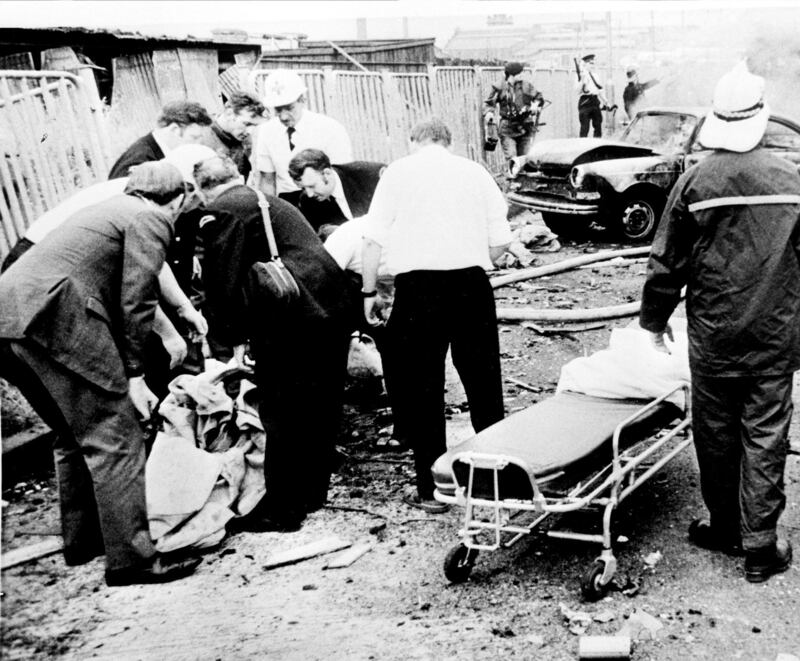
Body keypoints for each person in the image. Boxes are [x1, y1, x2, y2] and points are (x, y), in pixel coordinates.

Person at [0, 162, 202, 586]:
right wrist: (134, 375)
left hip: (9, 318)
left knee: (70, 431)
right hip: (54, 319)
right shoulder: (152, 217)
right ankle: (133, 560)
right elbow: (137, 299)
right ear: (178, 198)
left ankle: (84, 540)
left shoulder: (111, 208)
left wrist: (180, 314)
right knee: (116, 434)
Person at [639, 62, 800, 583]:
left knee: (715, 432)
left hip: (713, 334)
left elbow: (666, 262)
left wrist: (653, 320)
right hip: (775, 334)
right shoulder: (792, 179)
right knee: (765, 434)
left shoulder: (695, 180)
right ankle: (759, 548)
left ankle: (725, 527)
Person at [196, 155, 357, 532]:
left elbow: (223, 283)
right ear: (236, 175)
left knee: (281, 410)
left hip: (292, 320)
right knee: (321, 403)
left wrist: (230, 341)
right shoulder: (267, 199)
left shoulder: (222, 211)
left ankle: (283, 509)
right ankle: (313, 493)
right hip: (330, 307)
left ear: (201, 189)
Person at [361, 118, 512, 513]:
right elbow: (501, 241)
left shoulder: (398, 172)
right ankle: (493, 481)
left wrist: (369, 290)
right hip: (471, 286)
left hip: (418, 289)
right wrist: (473, 262)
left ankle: (432, 490)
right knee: (483, 382)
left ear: (415, 141)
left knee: (423, 387)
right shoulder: (475, 172)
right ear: (448, 142)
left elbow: (373, 237)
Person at [252, 70, 353, 208]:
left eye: (289, 108)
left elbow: (342, 176)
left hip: (326, 200)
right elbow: (267, 181)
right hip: (288, 203)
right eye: (278, 110)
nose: (283, 117)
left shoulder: (330, 128)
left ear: (302, 100)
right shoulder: (267, 131)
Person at [288, 148, 385, 236]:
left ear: (327, 173)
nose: (309, 194)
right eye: (303, 188)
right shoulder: (307, 202)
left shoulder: (370, 175)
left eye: (312, 186)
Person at [108, 101, 213, 179]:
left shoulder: (155, 151)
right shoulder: (141, 161)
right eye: (194, 137)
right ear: (174, 129)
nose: (199, 145)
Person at [482, 61, 545, 170]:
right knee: (512, 158)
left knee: (526, 158)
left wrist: (535, 105)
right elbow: (488, 103)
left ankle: (526, 182)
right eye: (519, 73)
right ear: (511, 75)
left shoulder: (526, 85)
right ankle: (513, 183)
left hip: (525, 127)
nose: (522, 76)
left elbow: (539, 97)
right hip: (507, 128)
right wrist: (489, 113)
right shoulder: (499, 87)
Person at [205, 92, 266, 180]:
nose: (250, 131)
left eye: (254, 126)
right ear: (229, 114)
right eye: (247, 124)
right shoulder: (203, 138)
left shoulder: (242, 139)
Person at [576, 54, 611, 138]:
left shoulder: (595, 76)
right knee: (585, 127)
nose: (593, 65)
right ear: (585, 64)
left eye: (593, 63)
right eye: (590, 63)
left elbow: (600, 91)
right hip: (585, 102)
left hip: (595, 101)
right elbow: (577, 91)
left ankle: (597, 145)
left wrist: (606, 102)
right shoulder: (580, 75)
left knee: (598, 125)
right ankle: (583, 146)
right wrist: (582, 81)